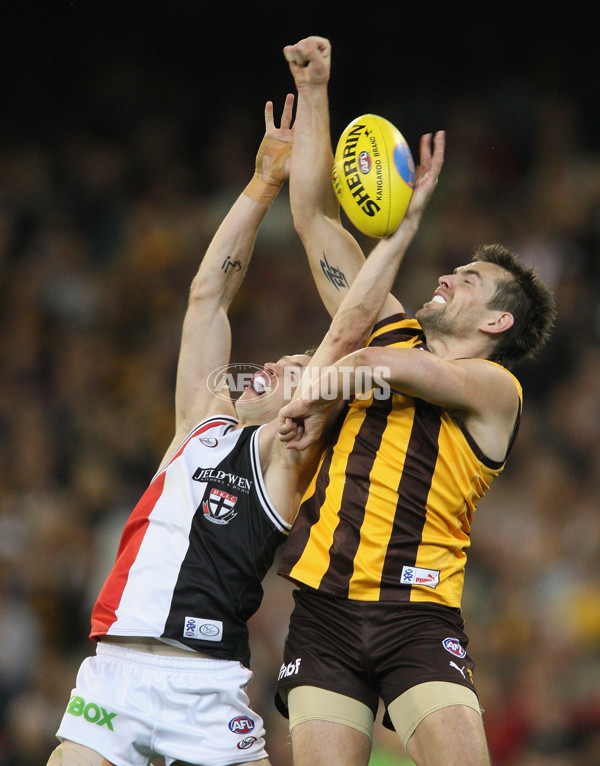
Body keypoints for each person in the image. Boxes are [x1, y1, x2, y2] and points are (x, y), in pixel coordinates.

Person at [46, 72, 446, 766]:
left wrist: (399, 235)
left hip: (205, 684)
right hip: (114, 674)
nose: (279, 367)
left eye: (298, 367)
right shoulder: (200, 423)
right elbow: (207, 298)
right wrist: (262, 184)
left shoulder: (289, 448)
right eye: (284, 360)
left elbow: (347, 331)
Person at [274, 36, 557, 766]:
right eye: (455, 266)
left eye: (471, 279)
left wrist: (318, 384)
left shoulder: (496, 390)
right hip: (324, 612)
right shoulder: (391, 329)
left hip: (418, 618)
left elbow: (379, 365)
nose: (450, 277)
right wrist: (315, 91)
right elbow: (311, 216)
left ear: (498, 323)